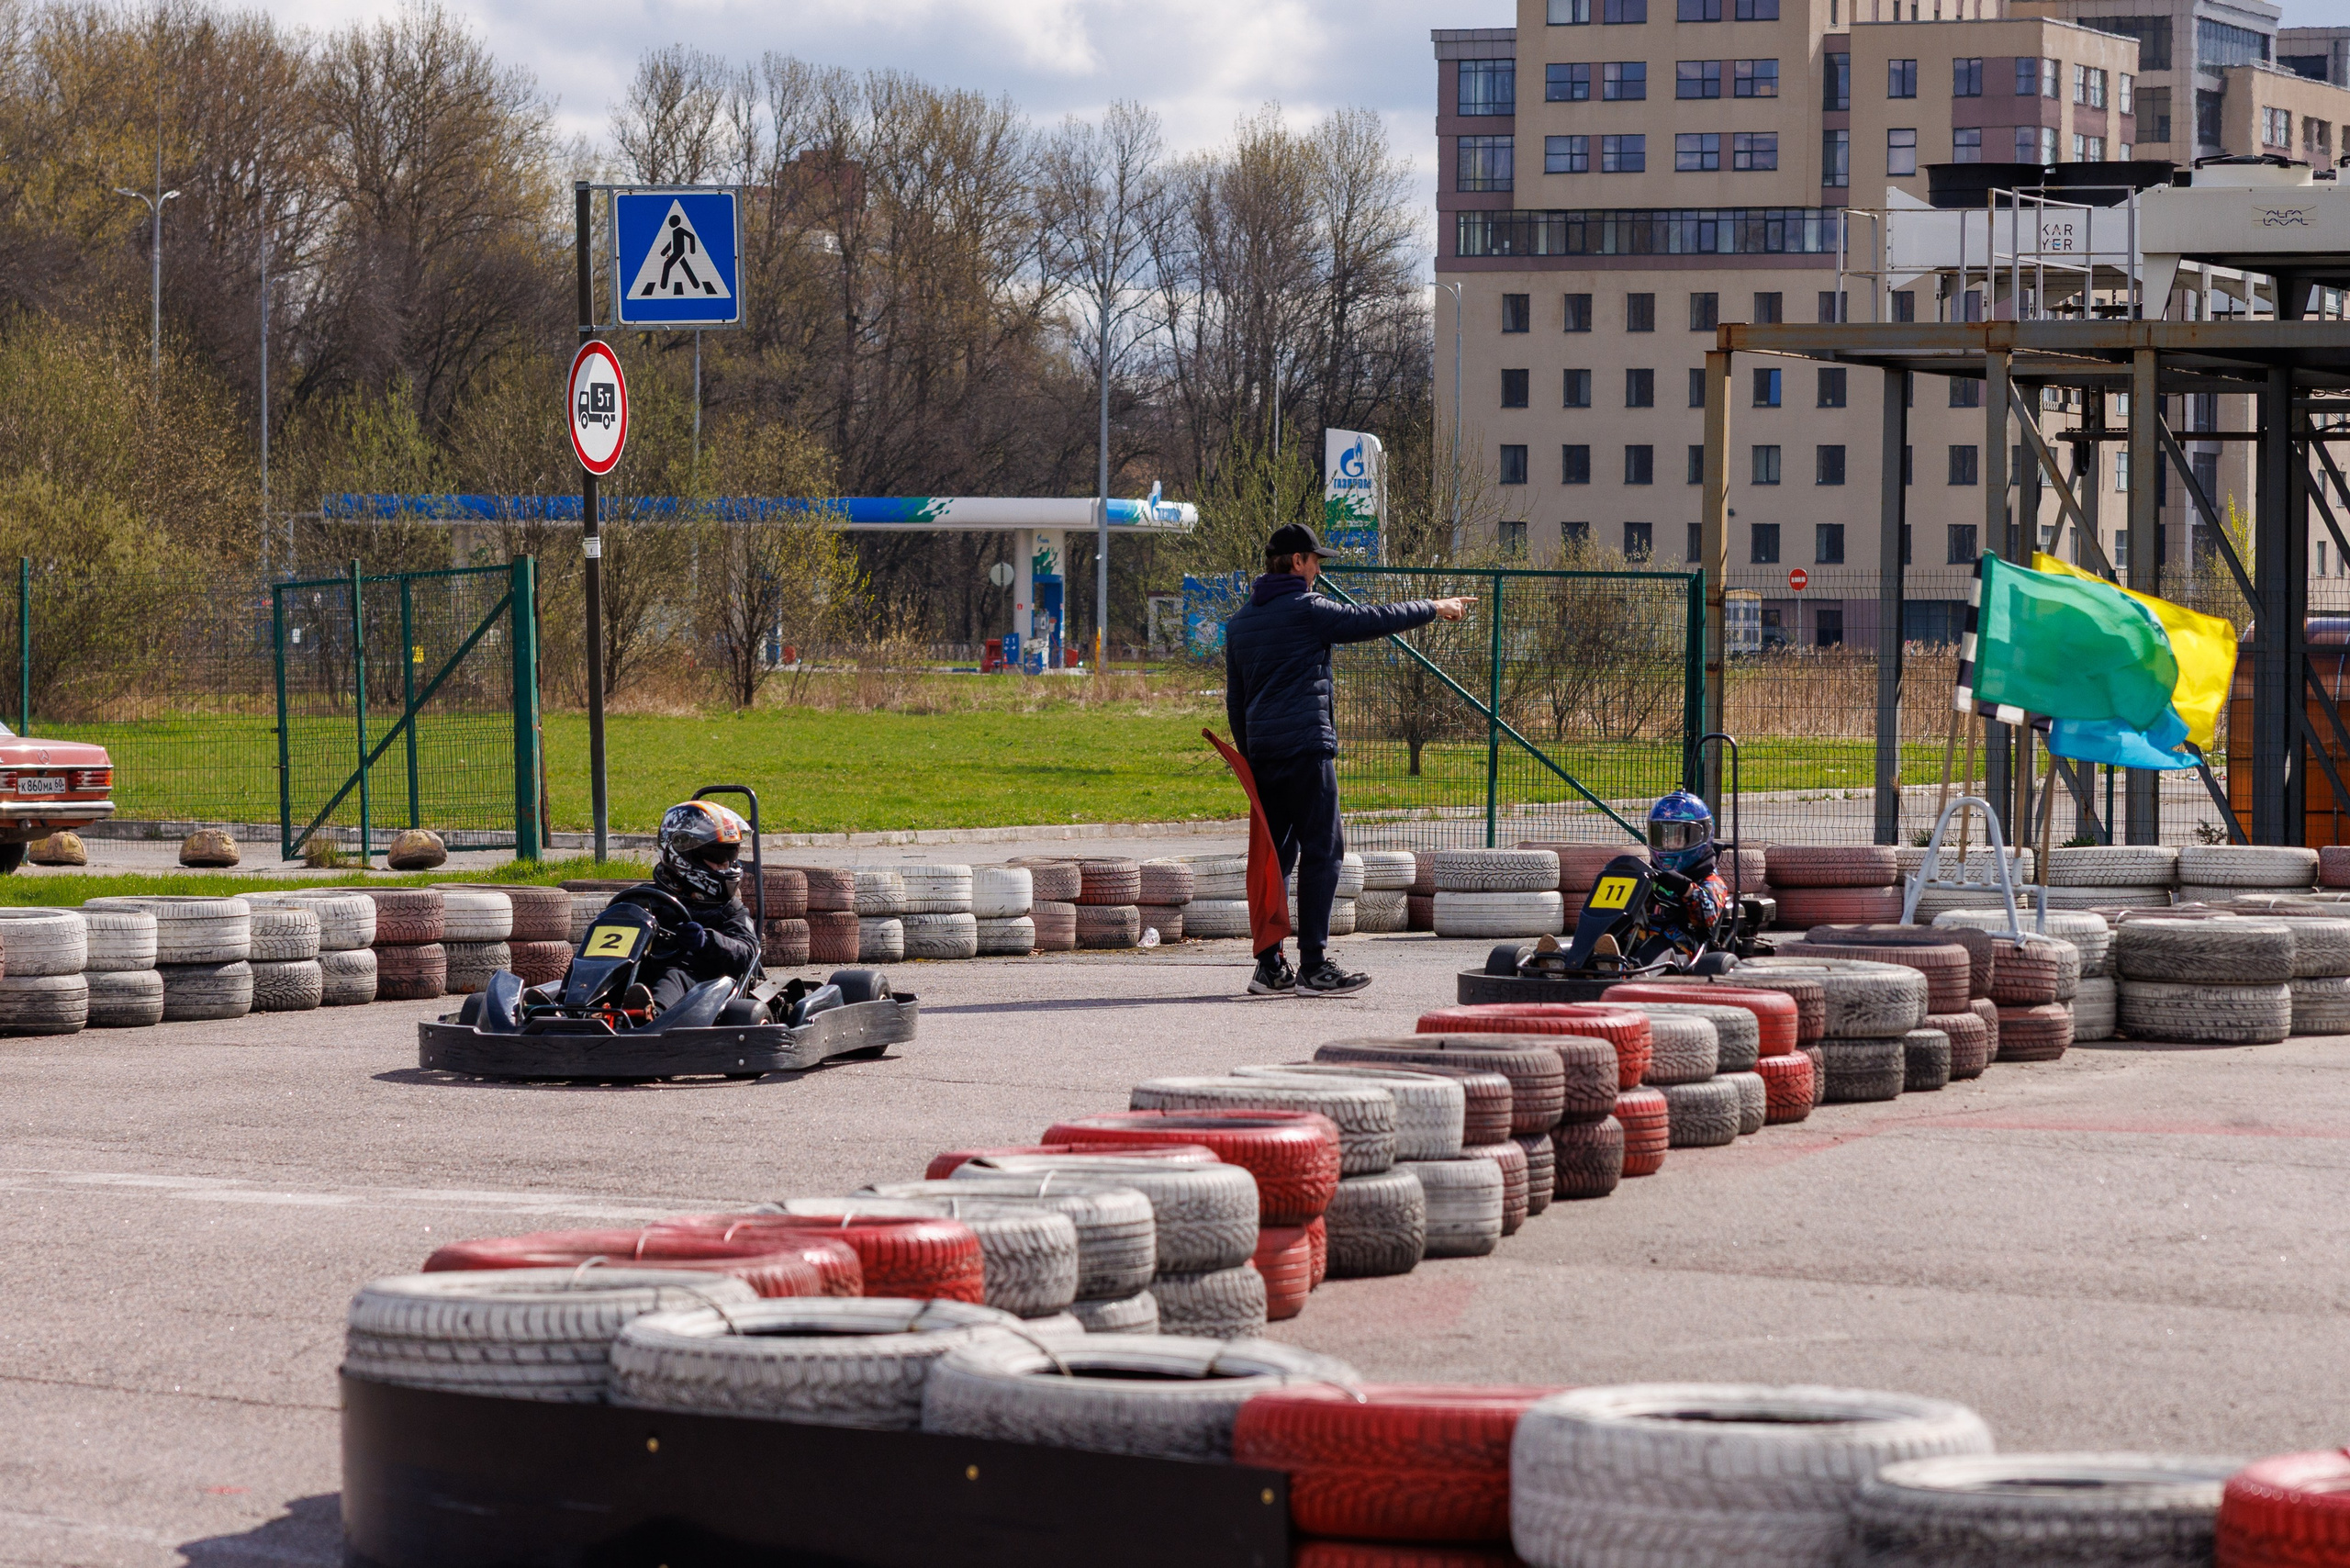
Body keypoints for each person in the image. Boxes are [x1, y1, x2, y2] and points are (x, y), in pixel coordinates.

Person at [1223, 522, 1474, 997]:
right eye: (1315, 560)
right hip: (1306, 750)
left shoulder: (1240, 622)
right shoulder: (1307, 609)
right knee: (1325, 849)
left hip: (1264, 756)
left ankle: (1270, 967)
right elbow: (1370, 619)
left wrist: (1254, 756)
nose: (1319, 569)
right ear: (1297, 562)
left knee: (1278, 857)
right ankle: (1315, 967)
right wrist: (1435, 608)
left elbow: (1237, 703)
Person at [629, 799, 761, 1014]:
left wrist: (706, 941)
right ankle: (570, 1008)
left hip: (701, 980)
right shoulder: (643, 898)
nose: (726, 864)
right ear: (684, 853)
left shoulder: (728, 907)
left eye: (731, 854)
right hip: (640, 973)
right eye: (718, 855)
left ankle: (651, 1016)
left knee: (673, 974)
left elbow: (747, 953)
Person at [1642, 790, 1731, 960]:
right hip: (1643, 935)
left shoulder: (1712, 881)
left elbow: (1707, 918)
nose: (1668, 845)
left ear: (1698, 836)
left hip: (1683, 945)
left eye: (1677, 838)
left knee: (1658, 947)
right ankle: (1596, 961)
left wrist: (1686, 888)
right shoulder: (1651, 874)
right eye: (1663, 838)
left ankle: (1626, 971)